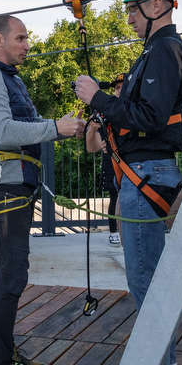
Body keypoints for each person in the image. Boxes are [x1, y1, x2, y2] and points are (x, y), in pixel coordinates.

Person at [74, 0, 182, 365]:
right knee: (150, 276)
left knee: (143, 278)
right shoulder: (158, 51)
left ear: (156, 5)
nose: (129, 19)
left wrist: (98, 99)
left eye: (133, 10)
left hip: (145, 175)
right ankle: (166, 360)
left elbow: (151, 118)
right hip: (146, 173)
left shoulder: (163, 51)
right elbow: (145, 113)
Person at [0, 14, 85, 365]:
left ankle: (2, 354)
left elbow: (22, 127)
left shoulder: (7, 76)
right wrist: (55, 128)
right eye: (20, 38)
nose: (27, 45)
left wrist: (61, 129)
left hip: (17, 181)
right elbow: (3, 131)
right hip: (8, 184)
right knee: (13, 275)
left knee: (5, 273)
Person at [84, 74, 125, 246]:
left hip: (133, 166)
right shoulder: (106, 110)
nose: (119, 90)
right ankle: (114, 232)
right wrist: (92, 130)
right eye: (117, 88)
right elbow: (92, 147)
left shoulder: (137, 108)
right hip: (112, 165)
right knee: (114, 198)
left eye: (122, 87)